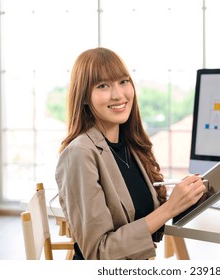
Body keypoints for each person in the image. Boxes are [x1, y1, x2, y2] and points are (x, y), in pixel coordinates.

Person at [55, 47, 206, 260]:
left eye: (123, 81)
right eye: (103, 85)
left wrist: (188, 195)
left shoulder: (128, 145)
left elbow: (139, 214)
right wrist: (169, 209)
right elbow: (98, 252)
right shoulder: (79, 154)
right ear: (85, 97)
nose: (118, 94)